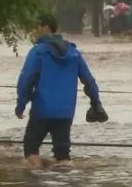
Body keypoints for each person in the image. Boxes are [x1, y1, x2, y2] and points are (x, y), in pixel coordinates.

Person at [15, 13, 101, 168]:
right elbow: (89, 81)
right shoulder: (74, 53)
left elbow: (26, 80)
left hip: (41, 111)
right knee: (63, 156)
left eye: (35, 28)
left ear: (45, 27)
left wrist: (21, 105)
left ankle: (36, 185)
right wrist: (96, 104)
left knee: (31, 150)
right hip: (65, 113)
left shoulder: (38, 52)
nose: (32, 32)